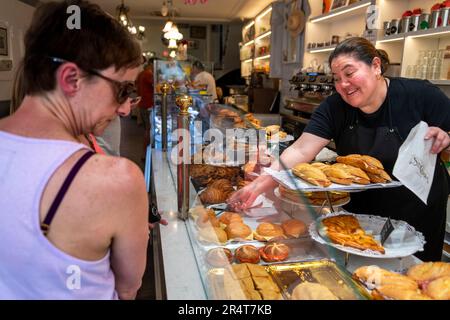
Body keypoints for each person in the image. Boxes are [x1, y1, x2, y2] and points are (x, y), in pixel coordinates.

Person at [229, 37, 450, 261]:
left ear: (375, 66)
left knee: (417, 280)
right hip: (363, 211)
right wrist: (258, 185)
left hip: (417, 208)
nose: (344, 84)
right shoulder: (335, 107)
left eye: (350, 73)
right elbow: (301, 150)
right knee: (365, 273)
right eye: (337, 78)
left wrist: (446, 137)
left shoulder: (419, 95)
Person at [0, 0, 149, 299]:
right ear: (71, 79)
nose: (123, 109)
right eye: (123, 90)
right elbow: (128, 287)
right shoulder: (117, 180)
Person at [136, 58, 155, 158]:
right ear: (152, 64)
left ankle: (145, 154)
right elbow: (156, 85)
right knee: (148, 129)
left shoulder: (141, 73)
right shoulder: (148, 74)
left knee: (147, 129)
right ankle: (146, 154)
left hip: (142, 103)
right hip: (147, 104)